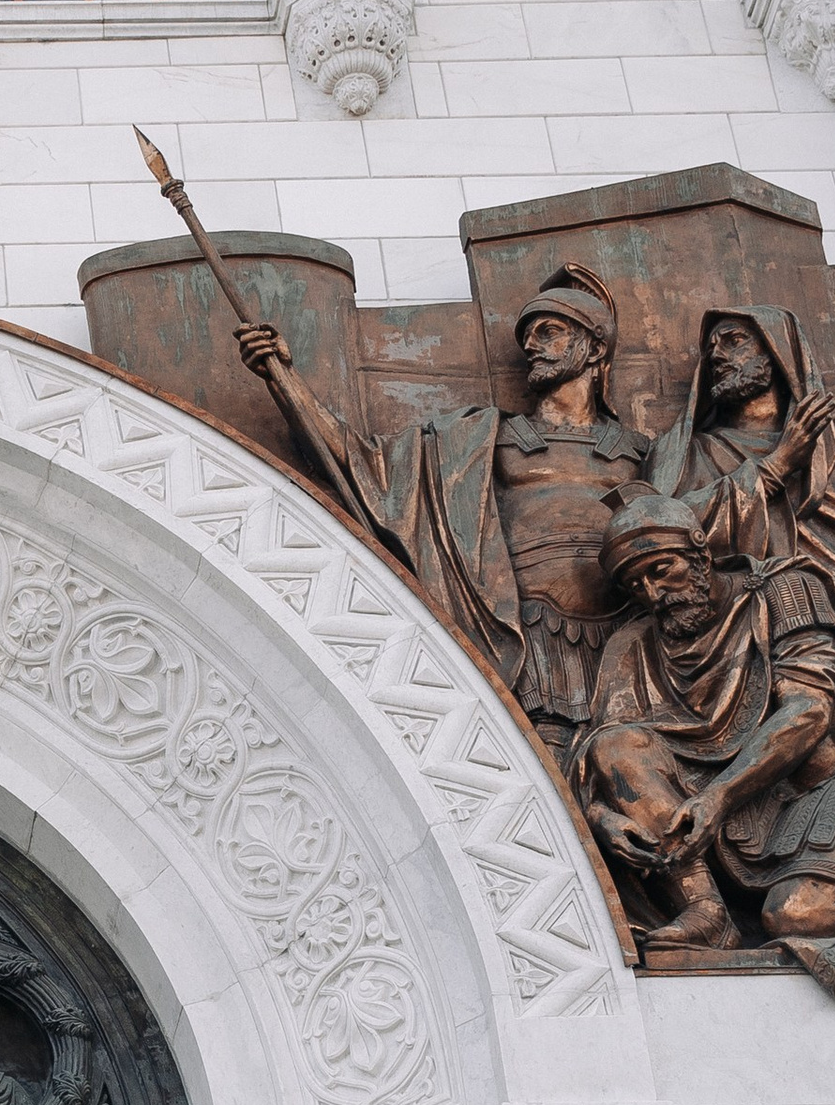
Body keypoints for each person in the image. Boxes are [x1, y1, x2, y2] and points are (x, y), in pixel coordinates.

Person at [235, 262, 652, 755]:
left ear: (595, 347)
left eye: (550, 332)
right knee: (544, 764)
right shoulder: (484, 438)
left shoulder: (641, 451)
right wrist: (283, 378)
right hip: (528, 635)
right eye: (528, 336)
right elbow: (364, 464)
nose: (532, 346)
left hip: (629, 638)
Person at [572, 485, 835, 992]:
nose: (654, 595)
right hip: (749, 820)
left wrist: (718, 797)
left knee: (795, 915)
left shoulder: (785, 587)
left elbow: (808, 709)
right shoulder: (631, 645)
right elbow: (601, 757)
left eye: (661, 570)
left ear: (700, 550)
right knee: (615, 742)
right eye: (634, 585)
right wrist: (603, 818)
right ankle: (706, 910)